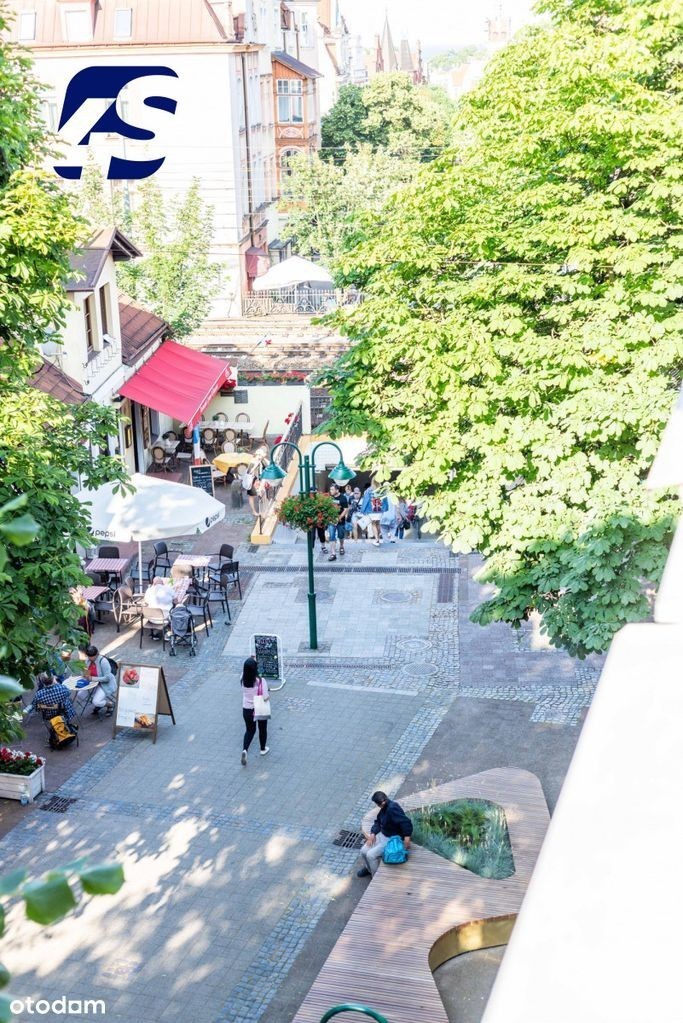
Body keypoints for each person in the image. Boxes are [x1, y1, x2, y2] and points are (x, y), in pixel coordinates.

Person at [357, 790, 413, 878]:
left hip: (391, 838)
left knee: (371, 855)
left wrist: (407, 837)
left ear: (382, 802)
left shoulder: (392, 808)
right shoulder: (384, 808)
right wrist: (373, 833)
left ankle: (375, 878)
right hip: (383, 834)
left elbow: (406, 822)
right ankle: (369, 869)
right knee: (363, 851)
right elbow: (378, 821)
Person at [240, 656, 269, 765]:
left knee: (249, 730)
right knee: (262, 729)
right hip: (259, 707)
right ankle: (262, 749)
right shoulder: (261, 681)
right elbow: (265, 697)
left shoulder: (242, 678)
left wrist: (250, 660)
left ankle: (245, 750)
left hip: (247, 708)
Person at [82, 644, 117, 716]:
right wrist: (85, 674)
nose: (90, 659)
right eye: (88, 657)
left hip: (104, 685)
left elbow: (107, 678)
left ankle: (110, 705)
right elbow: (86, 671)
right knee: (81, 695)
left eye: (92, 657)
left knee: (96, 702)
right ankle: (99, 704)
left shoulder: (103, 661)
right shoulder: (88, 660)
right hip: (93, 683)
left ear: (97, 654)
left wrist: (92, 678)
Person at [327, 482, 349, 561]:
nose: (331, 491)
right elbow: (327, 508)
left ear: (337, 490)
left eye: (332, 489)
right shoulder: (330, 498)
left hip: (340, 520)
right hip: (331, 520)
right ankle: (333, 554)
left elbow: (346, 509)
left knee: (341, 535)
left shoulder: (343, 498)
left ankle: (341, 546)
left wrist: (339, 517)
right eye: (330, 489)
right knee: (332, 536)